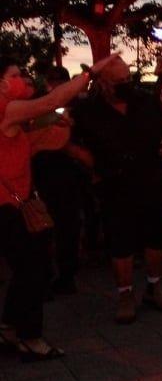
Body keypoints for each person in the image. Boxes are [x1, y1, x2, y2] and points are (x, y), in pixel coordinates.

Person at [0, 54, 116, 361]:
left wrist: (57, 128)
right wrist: (91, 73)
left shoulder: (14, 118)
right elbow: (51, 100)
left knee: (30, 266)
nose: (25, 79)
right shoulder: (6, 109)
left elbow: (38, 141)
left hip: (16, 204)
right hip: (7, 208)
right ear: (2, 84)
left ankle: (10, 326)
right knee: (33, 268)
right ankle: (29, 336)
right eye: (17, 74)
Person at [72, 57, 162, 324]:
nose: (124, 85)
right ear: (103, 83)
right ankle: (125, 295)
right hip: (114, 184)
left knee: (156, 237)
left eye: (127, 79)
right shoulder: (88, 110)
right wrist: (92, 166)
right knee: (120, 242)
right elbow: (70, 140)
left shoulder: (146, 102)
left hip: (149, 179)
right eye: (118, 81)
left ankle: (155, 288)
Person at [31, 66, 91, 295]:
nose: (55, 86)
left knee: (68, 225)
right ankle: (45, 274)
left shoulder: (79, 108)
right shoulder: (38, 106)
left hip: (69, 174)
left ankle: (67, 275)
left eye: (60, 82)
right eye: (52, 81)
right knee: (43, 227)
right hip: (42, 171)